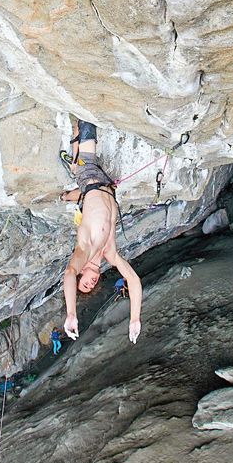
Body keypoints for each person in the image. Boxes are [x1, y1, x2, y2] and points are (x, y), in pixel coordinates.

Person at [60, 118, 142, 343]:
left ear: (82, 272)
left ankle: (77, 129)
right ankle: (69, 180)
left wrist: (71, 314)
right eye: (91, 286)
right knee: (78, 166)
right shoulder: (110, 253)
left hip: (90, 180)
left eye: (84, 283)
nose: (90, 283)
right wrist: (135, 319)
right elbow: (133, 279)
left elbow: (68, 274)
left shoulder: (84, 249)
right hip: (107, 186)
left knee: (87, 124)